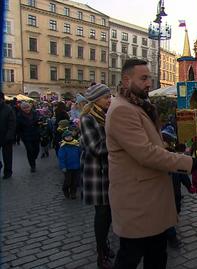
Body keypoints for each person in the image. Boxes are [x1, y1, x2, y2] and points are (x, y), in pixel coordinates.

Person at [105, 59, 197, 269]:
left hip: (149, 199)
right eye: (143, 78)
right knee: (130, 256)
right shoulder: (123, 109)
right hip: (138, 201)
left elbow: (150, 144)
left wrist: (173, 149)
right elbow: (146, 153)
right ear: (126, 79)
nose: (149, 82)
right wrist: (188, 162)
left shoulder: (136, 105)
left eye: (149, 77)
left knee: (157, 254)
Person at [80, 83, 115, 268]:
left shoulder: (106, 115)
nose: (109, 100)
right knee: (101, 215)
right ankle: (101, 254)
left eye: (110, 96)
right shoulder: (87, 118)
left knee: (108, 213)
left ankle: (105, 245)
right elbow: (95, 148)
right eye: (106, 97)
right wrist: (119, 142)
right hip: (95, 173)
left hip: (108, 171)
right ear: (96, 100)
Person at [16, 102, 41, 173]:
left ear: (30, 107)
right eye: (24, 108)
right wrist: (21, 136)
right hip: (26, 136)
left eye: (27, 107)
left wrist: (39, 123)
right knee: (29, 150)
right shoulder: (19, 116)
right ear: (22, 109)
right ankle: (32, 166)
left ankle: (33, 158)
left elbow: (37, 121)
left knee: (36, 150)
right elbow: (18, 128)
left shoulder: (35, 113)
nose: (26, 109)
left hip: (35, 134)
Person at [58, 130, 81, 199]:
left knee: (75, 181)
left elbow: (80, 154)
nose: (69, 138)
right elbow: (61, 158)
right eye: (67, 136)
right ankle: (65, 189)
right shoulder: (63, 146)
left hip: (77, 166)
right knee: (68, 181)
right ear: (64, 138)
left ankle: (73, 193)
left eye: (70, 136)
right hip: (67, 167)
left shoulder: (76, 144)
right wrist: (63, 166)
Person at [0, 92, 16, 179]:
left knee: (7, 156)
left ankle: (8, 172)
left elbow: (12, 124)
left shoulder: (8, 109)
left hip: (6, 136)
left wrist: (9, 135)